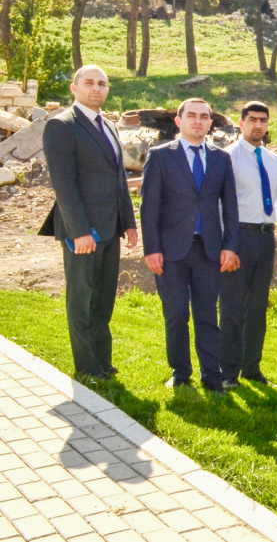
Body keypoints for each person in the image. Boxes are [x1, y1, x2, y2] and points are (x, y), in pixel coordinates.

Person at [39, 65, 138, 381]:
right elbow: (64, 185)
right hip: (82, 231)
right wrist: (79, 231)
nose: (96, 88)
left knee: (103, 299)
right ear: (75, 88)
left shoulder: (109, 126)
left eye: (102, 84)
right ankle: (86, 366)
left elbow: (119, 179)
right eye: (89, 83)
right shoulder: (61, 125)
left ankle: (103, 361)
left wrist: (129, 222)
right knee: (82, 299)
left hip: (110, 227)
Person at [140, 98, 240, 391]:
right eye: (192, 116)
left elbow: (230, 207)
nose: (198, 121)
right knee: (176, 314)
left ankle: (212, 375)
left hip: (209, 250)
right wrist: (151, 249)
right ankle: (180, 372)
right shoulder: (160, 156)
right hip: (170, 251)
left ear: (210, 123)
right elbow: (149, 207)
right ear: (178, 121)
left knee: (207, 316)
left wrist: (230, 245)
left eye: (204, 117)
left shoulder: (221, 158)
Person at [222, 102, 277, 389]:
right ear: (241, 123)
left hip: (265, 238)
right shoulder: (228, 157)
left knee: (257, 306)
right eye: (252, 119)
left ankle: (251, 368)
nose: (258, 125)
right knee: (231, 305)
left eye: (263, 120)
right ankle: (227, 371)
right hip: (238, 236)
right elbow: (220, 204)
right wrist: (226, 245)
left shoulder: (274, 161)